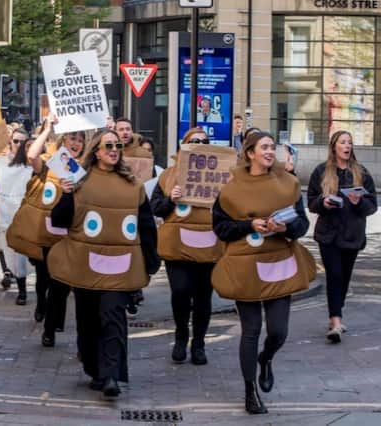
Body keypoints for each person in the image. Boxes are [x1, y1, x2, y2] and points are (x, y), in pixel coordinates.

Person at [47, 129, 160, 399]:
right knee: (87, 320)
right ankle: (94, 368)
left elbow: (146, 226)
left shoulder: (133, 186)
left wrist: (150, 261)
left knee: (113, 317)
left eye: (117, 145)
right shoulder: (79, 181)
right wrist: (65, 195)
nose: (113, 149)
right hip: (84, 264)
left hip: (120, 267)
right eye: (107, 145)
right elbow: (60, 221)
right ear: (96, 150)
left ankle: (111, 375)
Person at [212, 131, 316, 414]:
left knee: (279, 332)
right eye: (265, 147)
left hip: (279, 263)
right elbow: (220, 229)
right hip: (245, 267)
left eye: (273, 147)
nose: (271, 152)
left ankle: (266, 358)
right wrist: (249, 226)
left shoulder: (289, 184)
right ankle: (250, 392)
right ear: (250, 153)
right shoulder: (230, 190)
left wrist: (286, 229)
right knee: (251, 330)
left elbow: (302, 224)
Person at [7, 115, 84, 347]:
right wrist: (48, 128)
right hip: (46, 233)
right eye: (72, 137)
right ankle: (43, 308)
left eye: (81, 139)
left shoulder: (86, 168)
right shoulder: (52, 161)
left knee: (60, 284)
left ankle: (51, 326)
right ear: (63, 139)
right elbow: (31, 156)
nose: (76, 142)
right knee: (44, 278)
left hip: (71, 235)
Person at [150, 127, 224, 365]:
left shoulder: (221, 176)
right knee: (180, 292)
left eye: (204, 141)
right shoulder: (168, 176)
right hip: (177, 247)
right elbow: (155, 207)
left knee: (203, 297)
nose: (200, 144)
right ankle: (181, 335)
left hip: (209, 246)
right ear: (184, 146)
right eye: (194, 141)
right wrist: (170, 199)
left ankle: (199, 343)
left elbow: (231, 210)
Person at [307, 130, 377, 343]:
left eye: (350, 142)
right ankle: (335, 321)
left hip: (352, 235)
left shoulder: (362, 173)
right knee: (334, 275)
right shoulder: (321, 171)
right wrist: (323, 203)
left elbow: (372, 206)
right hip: (328, 235)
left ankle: (337, 313)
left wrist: (359, 202)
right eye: (343, 142)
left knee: (344, 278)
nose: (347, 146)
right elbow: (311, 202)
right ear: (334, 146)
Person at [115, 118, 153, 315]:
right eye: (120, 129)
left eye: (127, 128)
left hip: (137, 209)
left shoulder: (143, 154)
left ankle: (134, 290)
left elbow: (151, 177)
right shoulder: (112, 151)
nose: (124, 132)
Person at [0, 131, 34, 305]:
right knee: (5, 246)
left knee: (21, 253)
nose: (19, 145)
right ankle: (7, 272)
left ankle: (22, 290)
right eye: (16, 141)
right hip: (3, 211)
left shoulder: (31, 165)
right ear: (10, 142)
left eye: (23, 142)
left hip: (22, 213)